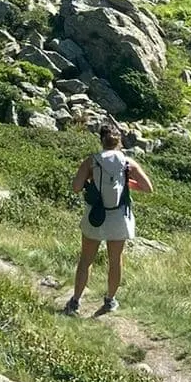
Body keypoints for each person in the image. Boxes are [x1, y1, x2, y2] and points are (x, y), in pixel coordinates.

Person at [62, 121, 152, 316]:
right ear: (119, 142)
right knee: (115, 260)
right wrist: (127, 183)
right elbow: (148, 188)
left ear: (101, 141)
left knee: (86, 260)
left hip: (95, 215)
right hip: (119, 217)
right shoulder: (128, 162)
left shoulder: (91, 161)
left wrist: (90, 182)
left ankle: (75, 301)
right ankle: (110, 300)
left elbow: (76, 187)